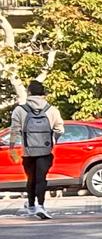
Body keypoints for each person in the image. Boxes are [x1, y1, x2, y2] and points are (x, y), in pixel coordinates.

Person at [8, 79, 63, 219]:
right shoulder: (52, 109)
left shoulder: (20, 110)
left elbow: (14, 129)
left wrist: (12, 147)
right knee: (41, 178)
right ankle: (41, 205)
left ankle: (31, 206)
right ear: (43, 93)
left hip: (28, 151)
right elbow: (59, 129)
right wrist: (53, 141)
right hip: (45, 151)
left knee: (31, 178)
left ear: (29, 93)